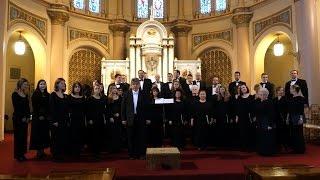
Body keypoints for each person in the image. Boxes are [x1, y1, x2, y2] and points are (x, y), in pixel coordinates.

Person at [121, 78, 148, 159]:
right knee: (130, 137)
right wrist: (123, 119)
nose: (135, 86)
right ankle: (131, 155)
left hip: (141, 118)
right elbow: (123, 108)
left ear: (139, 85)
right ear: (131, 85)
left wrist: (147, 118)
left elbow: (147, 108)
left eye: (137, 84)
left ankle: (141, 154)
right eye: (133, 84)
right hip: (130, 119)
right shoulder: (126, 94)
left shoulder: (144, 94)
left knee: (141, 137)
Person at [49, 78, 69, 161]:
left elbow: (67, 109)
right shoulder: (53, 95)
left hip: (63, 119)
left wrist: (67, 120)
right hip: (56, 120)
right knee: (55, 138)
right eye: (61, 83)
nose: (63, 84)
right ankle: (55, 155)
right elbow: (51, 108)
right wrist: (54, 121)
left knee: (63, 137)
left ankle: (61, 153)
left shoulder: (65, 96)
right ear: (57, 84)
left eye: (64, 83)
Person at [30, 79, 50, 159]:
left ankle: (42, 151)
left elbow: (48, 106)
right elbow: (35, 106)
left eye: (44, 84)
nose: (43, 85)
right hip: (37, 117)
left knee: (44, 134)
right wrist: (40, 115)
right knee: (38, 134)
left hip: (45, 118)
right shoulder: (35, 94)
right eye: (41, 84)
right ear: (38, 85)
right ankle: (39, 152)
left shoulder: (48, 94)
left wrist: (45, 115)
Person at [12, 78, 30, 161]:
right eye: (25, 84)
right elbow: (16, 107)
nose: (26, 86)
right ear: (20, 84)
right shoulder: (15, 94)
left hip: (25, 119)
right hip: (18, 119)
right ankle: (18, 155)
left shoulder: (25, 94)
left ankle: (22, 154)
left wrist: (28, 117)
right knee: (18, 137)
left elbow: (27, 107)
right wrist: (22, 117)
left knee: (24, 137)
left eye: (27, 84)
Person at [86, 84, 107, 158]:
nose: (97, 89)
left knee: (100, 134)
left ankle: (98, 150)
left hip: (100, 118)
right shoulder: (90, 98)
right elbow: (88, 110)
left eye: (98, 88)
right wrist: (89, 119)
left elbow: (104, 110)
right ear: (93, 90)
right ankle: (93, 151)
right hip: (93, 119)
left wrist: (104, 119)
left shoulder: (102, 98)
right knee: (93, 135)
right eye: (96, 88)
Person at [254, 88, 276, 156]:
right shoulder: (259, 101)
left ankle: (267, 152)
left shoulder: (269, 102)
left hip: (266, 121)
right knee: (261, 136)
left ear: (266, 95)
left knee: (267, 136)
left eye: (263, 94)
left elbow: (271, 114)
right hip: (260, 121)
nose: (261, 95)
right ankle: (261, 151)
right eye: (260, 94)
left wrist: (270, 124)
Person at [67, 82, 86, 157]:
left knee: (80, 134)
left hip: (81, 118)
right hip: (72, 118)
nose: (77, 88)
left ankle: (79, 150)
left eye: (78, 87)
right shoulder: (69, 97)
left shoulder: (83, 97)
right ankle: (72, 150)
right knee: (73, 134)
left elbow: (85, 109)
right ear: (73, 88)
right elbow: (67, 108)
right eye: (76, 87)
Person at [234, 84, 255, 151]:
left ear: (246, 88)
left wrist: (253, 116)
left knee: (250, 131)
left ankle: (250, 146)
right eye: (242, 88)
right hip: (242, 117)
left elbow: (254, 108)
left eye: (244, 87)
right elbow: (237, 108)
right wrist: (237, 117)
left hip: (249, 117)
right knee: (242, 132)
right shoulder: (239, 98)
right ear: (240, 90)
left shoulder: (251, 96)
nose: (243, 88)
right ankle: (244, 146)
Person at [287, 84, 306, 154]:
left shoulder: (300, 98)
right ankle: (295, 148)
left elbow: (301, 110)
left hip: (298, 117)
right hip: (292, 116)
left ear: (294, 89)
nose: (290, 90)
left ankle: (300, 149)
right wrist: (288, 117)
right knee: (293, 133)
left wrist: (301, 118)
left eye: (291, 89)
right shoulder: (292, 97)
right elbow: (289, 109)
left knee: (299, 133)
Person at [107, 84, 123, 153]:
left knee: (118, 132)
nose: (114, 90)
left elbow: (121, 107)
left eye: (115, 88)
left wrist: (119, 113)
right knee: (112, 133)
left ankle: (118, 148)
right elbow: (108, 109)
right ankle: (111, 148)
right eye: (113, 89)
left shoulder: (119, 98)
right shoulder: (109, 98)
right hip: (111, 118)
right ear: (111, 90)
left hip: (118, 118)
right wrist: (111, 116)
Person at [273, 86, 289, 151]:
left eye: (282, 90)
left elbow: (287, 110)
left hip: (283, 118)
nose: (281, 91)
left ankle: (285, 146)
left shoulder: (285, 99)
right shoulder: (274, 99)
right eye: (279, 90)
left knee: (284, 132)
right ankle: (278, 146)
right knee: (277, 132)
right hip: (276, 118)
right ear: (277, 91)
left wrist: (287, 118)